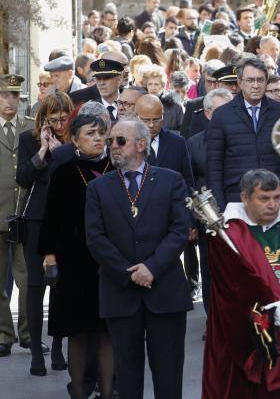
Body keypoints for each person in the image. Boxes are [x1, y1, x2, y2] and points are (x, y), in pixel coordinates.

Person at [85, 118, 193, 399]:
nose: (113, 147)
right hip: (120, 292)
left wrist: (152, 268)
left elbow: (179, 230)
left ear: (141, 145)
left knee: (168, 374)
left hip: (165, 290)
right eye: (111, 141)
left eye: (120, 141)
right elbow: (95, 238)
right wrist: (129, 272)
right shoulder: (98, 188)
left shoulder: (171, 180)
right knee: (127, 376)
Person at [203, 169, 280, 398]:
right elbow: (233, 287)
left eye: (277, 198)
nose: (272, 205)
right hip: (247, 340)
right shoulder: (226, 236)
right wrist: (270, 312)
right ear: (245, 198)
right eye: (264, 198)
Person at [39, 114, 114, 398]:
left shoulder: (115, 168)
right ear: (74, 140)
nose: (97, 138)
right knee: (78, 332)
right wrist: (50, 257)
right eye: (90, 134)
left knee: (108, 331)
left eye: (101, 133)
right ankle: (80, 391)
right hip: (73, 263)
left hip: (109, 262)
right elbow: (51, 219)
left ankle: (107, 392)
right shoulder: (64, 171)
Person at [16, 92, 72, 375]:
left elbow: (74, 177)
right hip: (36, 220)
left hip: (65, 221)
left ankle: (59, 348)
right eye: (54, 120)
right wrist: (42, 153)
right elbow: (23, 178)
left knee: (61, 286)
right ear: (43, 119)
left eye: (64, 119)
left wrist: (61, 149)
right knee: (36, 286)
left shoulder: (74, 141)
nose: (60, 124)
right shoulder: (28, 139)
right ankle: (37, 353)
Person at [207, 55, 280, 210]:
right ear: (240, 83)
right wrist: (220, 206)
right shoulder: (222, 115)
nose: (256, 85)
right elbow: (214, 166)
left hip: (276, 198)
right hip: (236, 200)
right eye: (250, 80)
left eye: (260, 80)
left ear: (266, 81)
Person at [135, 94, 199, 300]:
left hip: (171, 217)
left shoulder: (177, 142)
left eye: (157, 119)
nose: (152, 125)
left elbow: (188, 182)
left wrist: (190, 220)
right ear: (136, 117)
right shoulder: (126, 142)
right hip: (137, 220)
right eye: (146, 120)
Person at [187, 88, 233, 313]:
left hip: (237, 212)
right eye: (220, 111)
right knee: (210, 267)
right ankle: (213, 317)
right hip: (208, 218)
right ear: (207, 113)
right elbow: (190, 183)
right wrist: (192, 221)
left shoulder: (239, 138)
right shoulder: (194, 143)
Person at [0, 74, 31, 358]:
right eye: (5, 95)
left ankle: (29, 333)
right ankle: (3, 335)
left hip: (23, 213)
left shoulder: (30, 129)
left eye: (15, 96)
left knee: (27, 277)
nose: (11, 101)